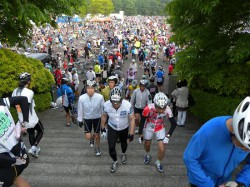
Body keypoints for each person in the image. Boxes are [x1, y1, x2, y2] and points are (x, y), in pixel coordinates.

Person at [183, 96, 250, 187]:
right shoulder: (209, 130)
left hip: (225, 182)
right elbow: (189, 158)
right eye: (242, 145)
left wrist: (241, 182)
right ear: (234, 131)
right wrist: (208, 184)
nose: (246, 150)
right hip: (200, 183)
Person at [138, 92, 177, 173]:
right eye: (159, 108)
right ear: (155, 104)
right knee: (147, 145)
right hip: (149, 126)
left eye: (164, 108)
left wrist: (168, 135)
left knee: (162, 149)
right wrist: (140, 134)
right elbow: (142, 122)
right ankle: (147, 154)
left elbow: (174, 124)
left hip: (160, 127)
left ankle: (158, 162)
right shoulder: (147, 108)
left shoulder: (168, 109)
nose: (162, 110)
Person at [101, 86, 135, 173]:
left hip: (124, 128)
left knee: (124, 144)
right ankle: (115, 161)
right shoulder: (106, 104)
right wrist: (102, 127)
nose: (115, 104)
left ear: (122, 99)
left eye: (118, 102)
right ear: (110, 100)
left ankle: (123, 153)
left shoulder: (128, 105)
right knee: (111, 147)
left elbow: (132, 119)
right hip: (112, 127)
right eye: (113, 102)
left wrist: (131, 133)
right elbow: (104, 116)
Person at [0, 96, 31, 187]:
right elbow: (23, 99)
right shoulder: (1, 102)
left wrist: (14, 160)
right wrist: (25, 122)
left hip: (8, 162)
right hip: (21, 154)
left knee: (12, 177)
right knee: (16, 178)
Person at [12, 72, 44, 158]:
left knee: (31, 133)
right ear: (28, 81)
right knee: (41, 131)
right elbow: (26, 107)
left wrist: (22, 122)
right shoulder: (29, 92)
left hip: (21, 117)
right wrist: (26, 121)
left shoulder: (14, 91)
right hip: (31, 118)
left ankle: (34, 150)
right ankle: (33, 147)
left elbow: (16, 106)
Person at [77, 80, 104, 155]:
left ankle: (97, 147)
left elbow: (103, 109)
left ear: (95, 88)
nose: (90, 90)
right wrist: (79, 119)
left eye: (92, 88)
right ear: (85, 88)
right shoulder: (82, 98)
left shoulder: (100, 97)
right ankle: (91, 139)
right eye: (88, 88)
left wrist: (104, 121)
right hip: (87, 118)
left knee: (97, 135)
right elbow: (80, 109)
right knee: (88, 136)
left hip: (97, 118)